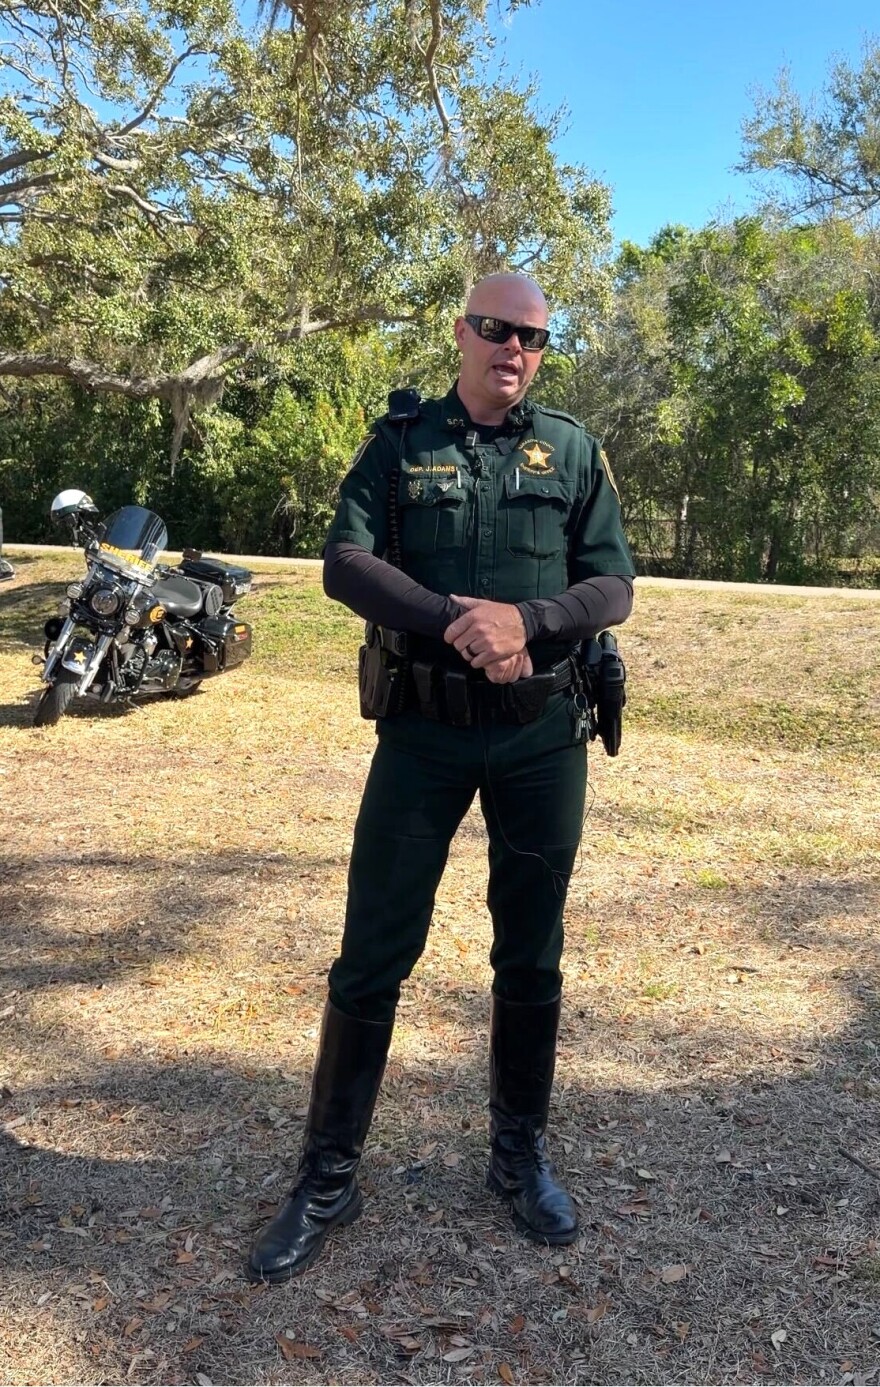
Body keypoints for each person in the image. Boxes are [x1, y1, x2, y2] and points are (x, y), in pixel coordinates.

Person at [247, 272, 635, 1283]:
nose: (516, 348)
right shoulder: (400, 442)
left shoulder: (575, 449)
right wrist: (459, 617)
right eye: (498, 329)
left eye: (536, 337)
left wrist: (532, 623)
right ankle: (327, 1177)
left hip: (542, 735)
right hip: (420, 735)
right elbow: (343, 562)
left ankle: (518, 1156)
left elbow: (611, 584)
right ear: (462, 333)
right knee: (372, 951)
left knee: (531, 955)